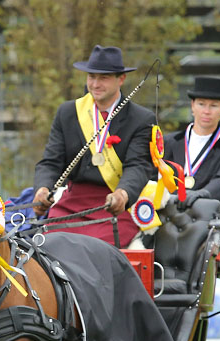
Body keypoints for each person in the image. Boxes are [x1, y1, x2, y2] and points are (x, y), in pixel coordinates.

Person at [33, 45, 156, 248]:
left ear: (121, 79)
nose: (95, 84)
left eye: (104, 78)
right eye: (91, 77)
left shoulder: (141, 119)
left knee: (97, 249)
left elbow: (138, 166)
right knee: (50, 244)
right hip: (71, 205)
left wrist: (122, 194)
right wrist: (42, 188)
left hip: (112, 205)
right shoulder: (68, 112)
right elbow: (51, 161)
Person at [164, 76, 220, 242]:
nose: (207, 111)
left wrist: (202, 194)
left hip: (209, 225)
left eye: (214, 105)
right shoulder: (168, 142)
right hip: (168, 222)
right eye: (201, 104)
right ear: (192, 106)